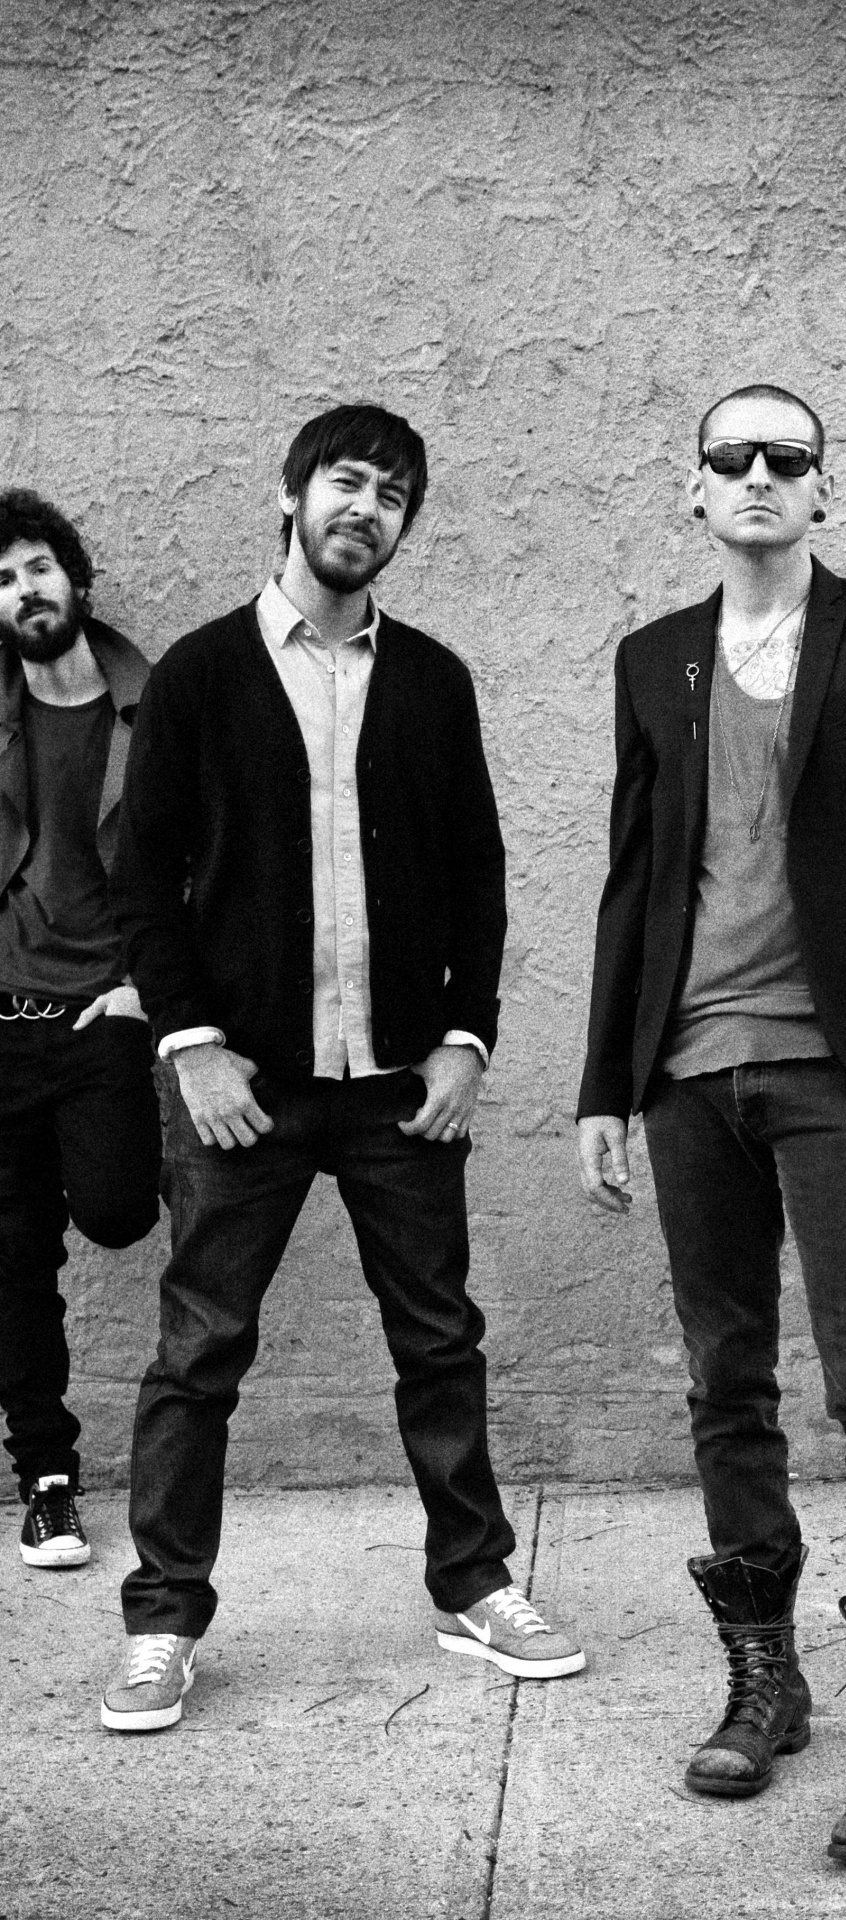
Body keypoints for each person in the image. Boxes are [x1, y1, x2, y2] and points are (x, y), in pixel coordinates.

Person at [101, 403, 583, 1733]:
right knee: (200, 1351)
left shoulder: (432, 680)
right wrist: (192, 1046)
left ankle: (474, 1586)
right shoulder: (200, 673)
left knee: (439, 1339)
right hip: (243, 1086)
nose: (366, 508)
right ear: (292, 493)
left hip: (397, 1088)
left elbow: (478, 873)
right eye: (347, 482)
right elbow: (143, 880)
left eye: (393, 495)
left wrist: (468, 1041)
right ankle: (162, 1619)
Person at [576, 385, 846, 1868]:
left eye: (785, 458)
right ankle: (766, 1681)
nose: (758, 475)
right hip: (690, 1072)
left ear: (823, 491)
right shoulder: (656, 658)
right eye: (731, 457)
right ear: (693, 490)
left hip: (841, 1070)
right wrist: (604, 1085)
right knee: (725, 1381)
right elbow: (634, 877)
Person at [0, 490, 161, 1570]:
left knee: (113, 1211)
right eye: (3, 580)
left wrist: (151, 990)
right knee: (13, 1257)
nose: (25, 591)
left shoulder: (155, 705)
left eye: (38, 567)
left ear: (77, 579)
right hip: (3, 1019)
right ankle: (47, 1480)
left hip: (105, 1012)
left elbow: (207, 859)